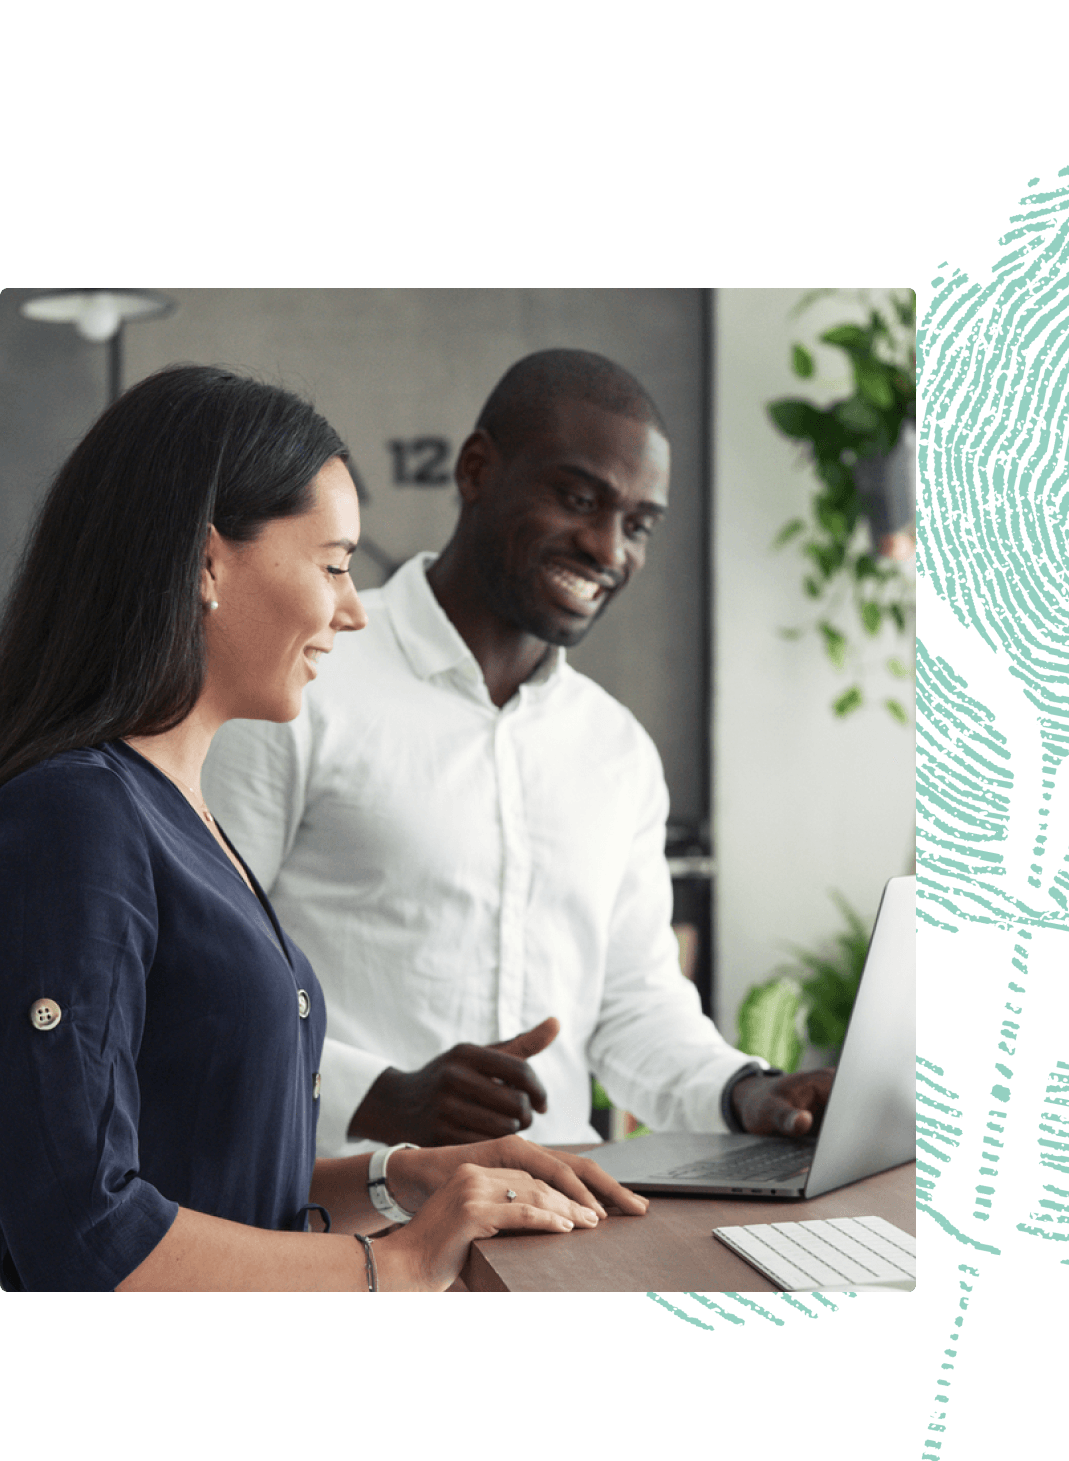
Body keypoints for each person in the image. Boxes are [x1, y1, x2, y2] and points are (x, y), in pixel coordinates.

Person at [0, 364, 645, 1293]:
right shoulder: (77, 817)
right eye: (336, 564)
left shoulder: (180, 812)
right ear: (206, 561)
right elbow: (87, 1229)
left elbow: (210, 1175)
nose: (351, 608)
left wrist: (399, 1178)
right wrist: (398, 1264)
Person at [203, 349, 834, 1156]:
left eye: (638, 524)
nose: (609, 549)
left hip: (559, 1219)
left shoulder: (618, 752)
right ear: (477, 470)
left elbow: (633, 1006)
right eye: (579, 499)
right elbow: (209, 983)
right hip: (348, 1223)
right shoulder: (299, 685)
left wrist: (747, 1091)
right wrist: (382, 1099)